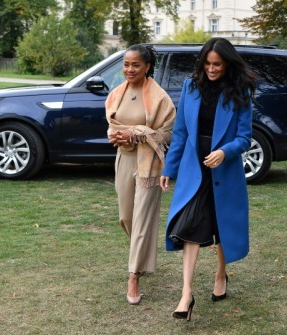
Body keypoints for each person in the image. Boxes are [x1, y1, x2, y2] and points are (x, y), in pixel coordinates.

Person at [160, 37, 255, 320]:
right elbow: (180, 132)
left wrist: (225, 152)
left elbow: (245, 138)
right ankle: (186, 293)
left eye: (218, 64)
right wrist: (169, 168)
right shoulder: (190, 87)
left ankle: (221, 274)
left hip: (224, 171)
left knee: (223, 226)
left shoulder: (240, 92)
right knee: (189, 226)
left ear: (227, 64)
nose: (212, 69)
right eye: (208, 64)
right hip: (194, 169)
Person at [105, 44, 176, 304]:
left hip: (150, 164)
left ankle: (133, 275)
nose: (129, 69)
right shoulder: (116, 94)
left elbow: (168, 133)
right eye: (126, 64)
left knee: (144, 218)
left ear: (147, 67)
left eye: (136, 65)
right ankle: (141, 253)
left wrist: (136, 133)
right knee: (126, 217)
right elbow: (112, 127)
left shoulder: (160, 98)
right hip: (124, 159)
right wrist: (119, 136)